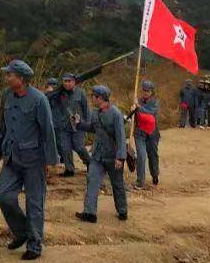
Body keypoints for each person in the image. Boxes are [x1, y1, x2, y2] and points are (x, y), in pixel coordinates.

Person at [0, 59, 58, 260]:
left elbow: (48, 131)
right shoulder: (7, 96)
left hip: (34, 160)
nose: (6, 78)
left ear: (20, 79)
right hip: (12, 157)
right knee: (2, 195)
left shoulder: (39, 100)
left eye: (9, 75)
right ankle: (21, 231)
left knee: (34, 202)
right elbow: (2, 125)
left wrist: (50, 161)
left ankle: (35, 245)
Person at [75, 85, 128, 222]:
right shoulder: (95, 113)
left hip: (113, 156)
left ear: (100, 98)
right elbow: (93, 128)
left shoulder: (115, 113)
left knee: (117, 184)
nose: (91, 98)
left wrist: (120, 157)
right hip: (97, 155)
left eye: (93, 96)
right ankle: (89, 213)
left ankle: (122, 210)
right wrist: (79, 123)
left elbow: (121, 136)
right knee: (92, 180)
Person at [54, 73, 90, 177]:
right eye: (65, 81)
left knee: (79, 147)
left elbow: (86, 109)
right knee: (65, 148)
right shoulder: (59, 93)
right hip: (64, 125)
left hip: (78, 125)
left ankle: (89, 163)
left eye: (69, 81)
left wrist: (87, 125)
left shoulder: (80, 93)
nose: (67, 83)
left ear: (74, 82)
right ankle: (69, 169)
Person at [126, 79, 160, 190]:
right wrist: (132, 110)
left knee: (153, 155)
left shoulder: (155, 102)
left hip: (152, 133)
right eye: (144, 90)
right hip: (139, 132)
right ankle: (140, 181)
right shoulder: (138, 101)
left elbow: (150, 112)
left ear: (152, 92)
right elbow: (132, 115)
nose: (146, 92)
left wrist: (138, 107)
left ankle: (155, 175)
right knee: (141, 156)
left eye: (148, 91)